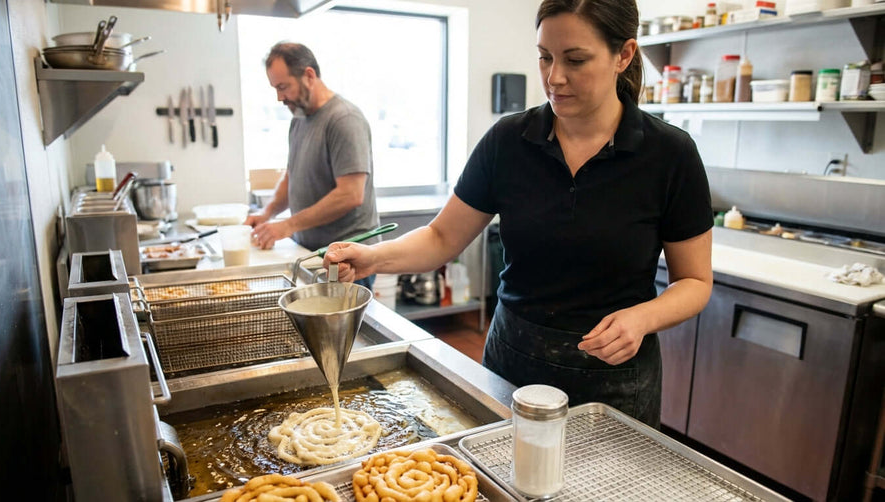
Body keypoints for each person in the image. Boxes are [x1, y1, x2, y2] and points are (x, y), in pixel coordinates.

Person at [323, 0, 713, 428]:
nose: (554, 77)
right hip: (512, 363)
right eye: (544, 57)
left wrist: (643, 317)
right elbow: (440, 239)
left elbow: (694, 282)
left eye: (575, 60)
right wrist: (372, 257)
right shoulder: (508, 142)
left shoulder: (669, 154)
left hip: (614, 377)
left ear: (624, 55)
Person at [245, 42, 380, 289]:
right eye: (275, 89)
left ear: (309, 75)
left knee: (344, 328)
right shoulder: (299, 120)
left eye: (283, 87)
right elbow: (292, 176)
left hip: (345, 263)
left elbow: (350, 195)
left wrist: (288, 225)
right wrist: (268, 213)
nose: (279, 97)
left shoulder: (343, 119)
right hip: (312, 255)